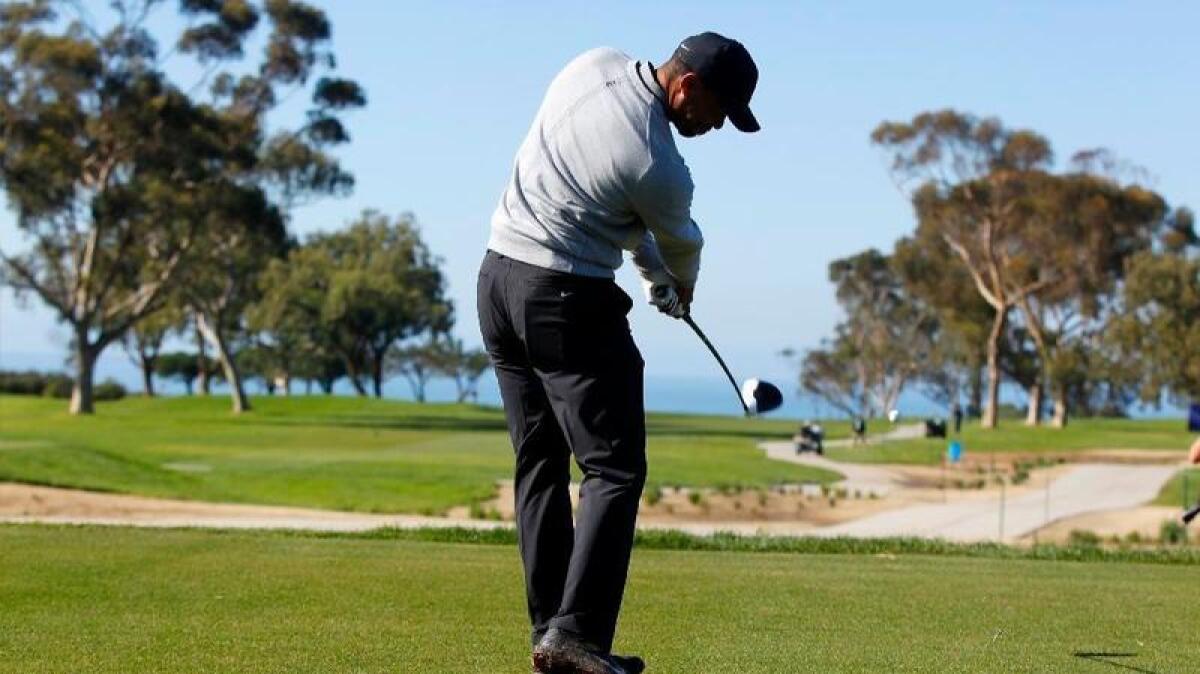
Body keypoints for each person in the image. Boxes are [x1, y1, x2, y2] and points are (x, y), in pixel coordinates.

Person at [476, 32, 760, 674]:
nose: (716, 126)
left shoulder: (590, 64)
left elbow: (611, 205)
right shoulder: (661, 164)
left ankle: (552, 634)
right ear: (686, 86)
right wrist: (676, 284)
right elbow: (680, 242)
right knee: (615, 468)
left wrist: (651, 273)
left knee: (540, 462)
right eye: (718, 111)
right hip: (562, 297)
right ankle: (575, 639)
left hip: (497, 280)